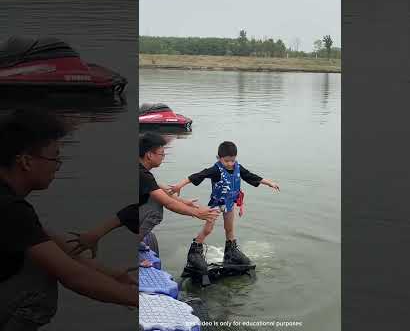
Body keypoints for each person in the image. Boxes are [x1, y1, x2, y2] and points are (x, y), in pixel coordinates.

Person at [0, 109, 138, 330]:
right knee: (41, 276)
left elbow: (49, 241)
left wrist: (112, 274)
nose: (58, 165)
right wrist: (141, 300)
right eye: (54, 157)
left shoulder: (10, 204)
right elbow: (73, 276)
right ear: (25, 161)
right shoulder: (9, 209)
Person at [66, 132, 220, 257]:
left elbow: (161, 191)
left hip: (118, 209)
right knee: (156, 208)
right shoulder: (142, 175)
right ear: (149, 155)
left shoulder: (139, 169)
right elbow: (167, 202)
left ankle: (102, 237)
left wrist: (184, 202)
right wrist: (197, 213)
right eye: (161, 153)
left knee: (155, 198)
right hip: (115, 208)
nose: (163, 156)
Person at [169, 141, 280, 272]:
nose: (230, 164)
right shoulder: (216, 169)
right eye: (226, 161)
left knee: (229, 228)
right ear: (219, 158)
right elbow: (197, 176)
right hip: (216, 203)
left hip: (229, 203)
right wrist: (178, 186)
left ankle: (231, 252)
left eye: (232, 160)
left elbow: (251, 176)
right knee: (208, 229)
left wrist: (269, 183)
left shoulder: (238, 167)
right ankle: (195, 251)